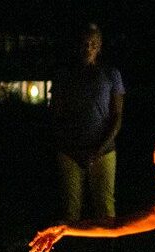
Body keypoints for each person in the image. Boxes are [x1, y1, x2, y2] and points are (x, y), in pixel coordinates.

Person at [50, 22, 125, 223]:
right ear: (77, 46)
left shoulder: (111, 74)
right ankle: (72, 250)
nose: (88, 48)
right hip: (70, 152)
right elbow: (56, 115)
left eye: (93, 44)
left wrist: (99, 149)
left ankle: (107, 251)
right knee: (70, 208)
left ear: (99, 46)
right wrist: (71, 147)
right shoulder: (64, 76)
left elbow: (117, 116)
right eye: (84, 43)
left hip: (104, 151)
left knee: (105, 206)